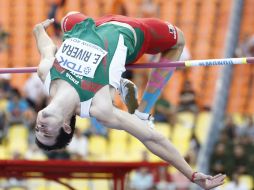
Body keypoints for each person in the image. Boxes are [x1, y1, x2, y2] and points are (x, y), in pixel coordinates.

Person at [33, 12, 225, 189]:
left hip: (89, 25)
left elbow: (47, 47)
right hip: (130, 30)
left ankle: (117, 82)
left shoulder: (46, 74)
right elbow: (151, 138)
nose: (40, 127)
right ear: (66, 126)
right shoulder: (99, 108)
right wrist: (192, 174)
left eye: (37, 129)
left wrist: (38, 31)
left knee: (69, 19)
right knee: (178, 40)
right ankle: (141, 111)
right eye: (47, 134)